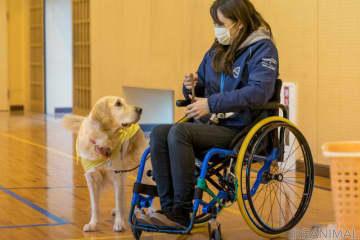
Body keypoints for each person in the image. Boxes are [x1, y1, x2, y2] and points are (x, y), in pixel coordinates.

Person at [148, 0, 279, 227]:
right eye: (214, 23)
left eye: (220, 23)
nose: (217, 28)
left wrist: (212, 104)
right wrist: (190, 85)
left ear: (239, 23)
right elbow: (201, 87)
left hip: (240, 128)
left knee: (179, 133)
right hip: (212, 124)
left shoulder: (263, 48)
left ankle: (182, 210)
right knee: (159, 132)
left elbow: (259, 92)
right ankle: (169, 210)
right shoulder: (216, 49)